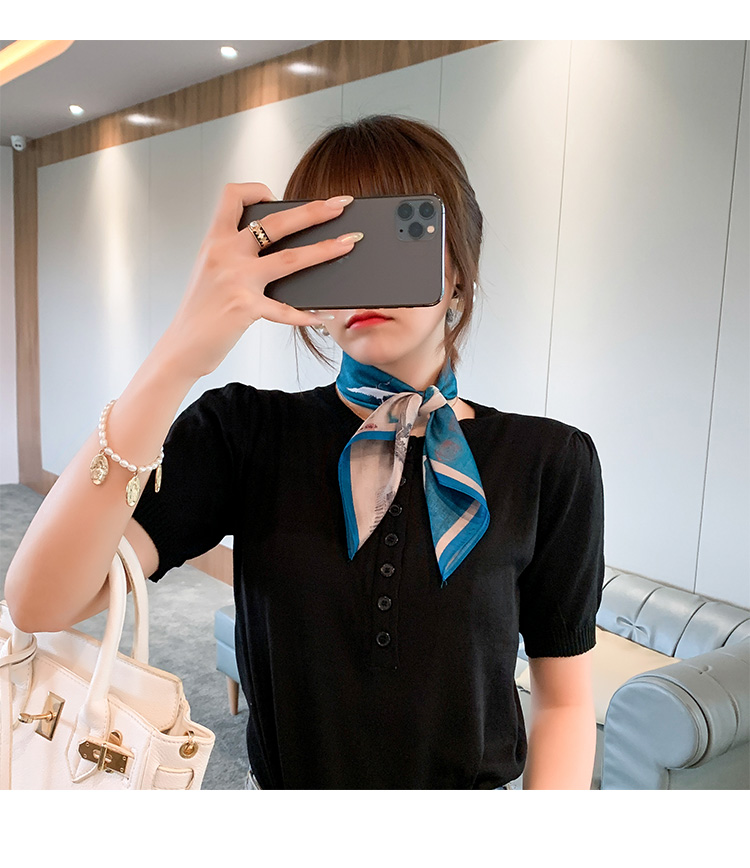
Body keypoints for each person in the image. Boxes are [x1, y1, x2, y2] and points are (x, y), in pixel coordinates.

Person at [5, 115, 604, 790]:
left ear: (460, 270)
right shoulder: (244, 432)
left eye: (393, 241)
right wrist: (179, 353)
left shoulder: (551, 462)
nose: (362, 280)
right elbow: (39, 603)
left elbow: (564, 700)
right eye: (334, 250)